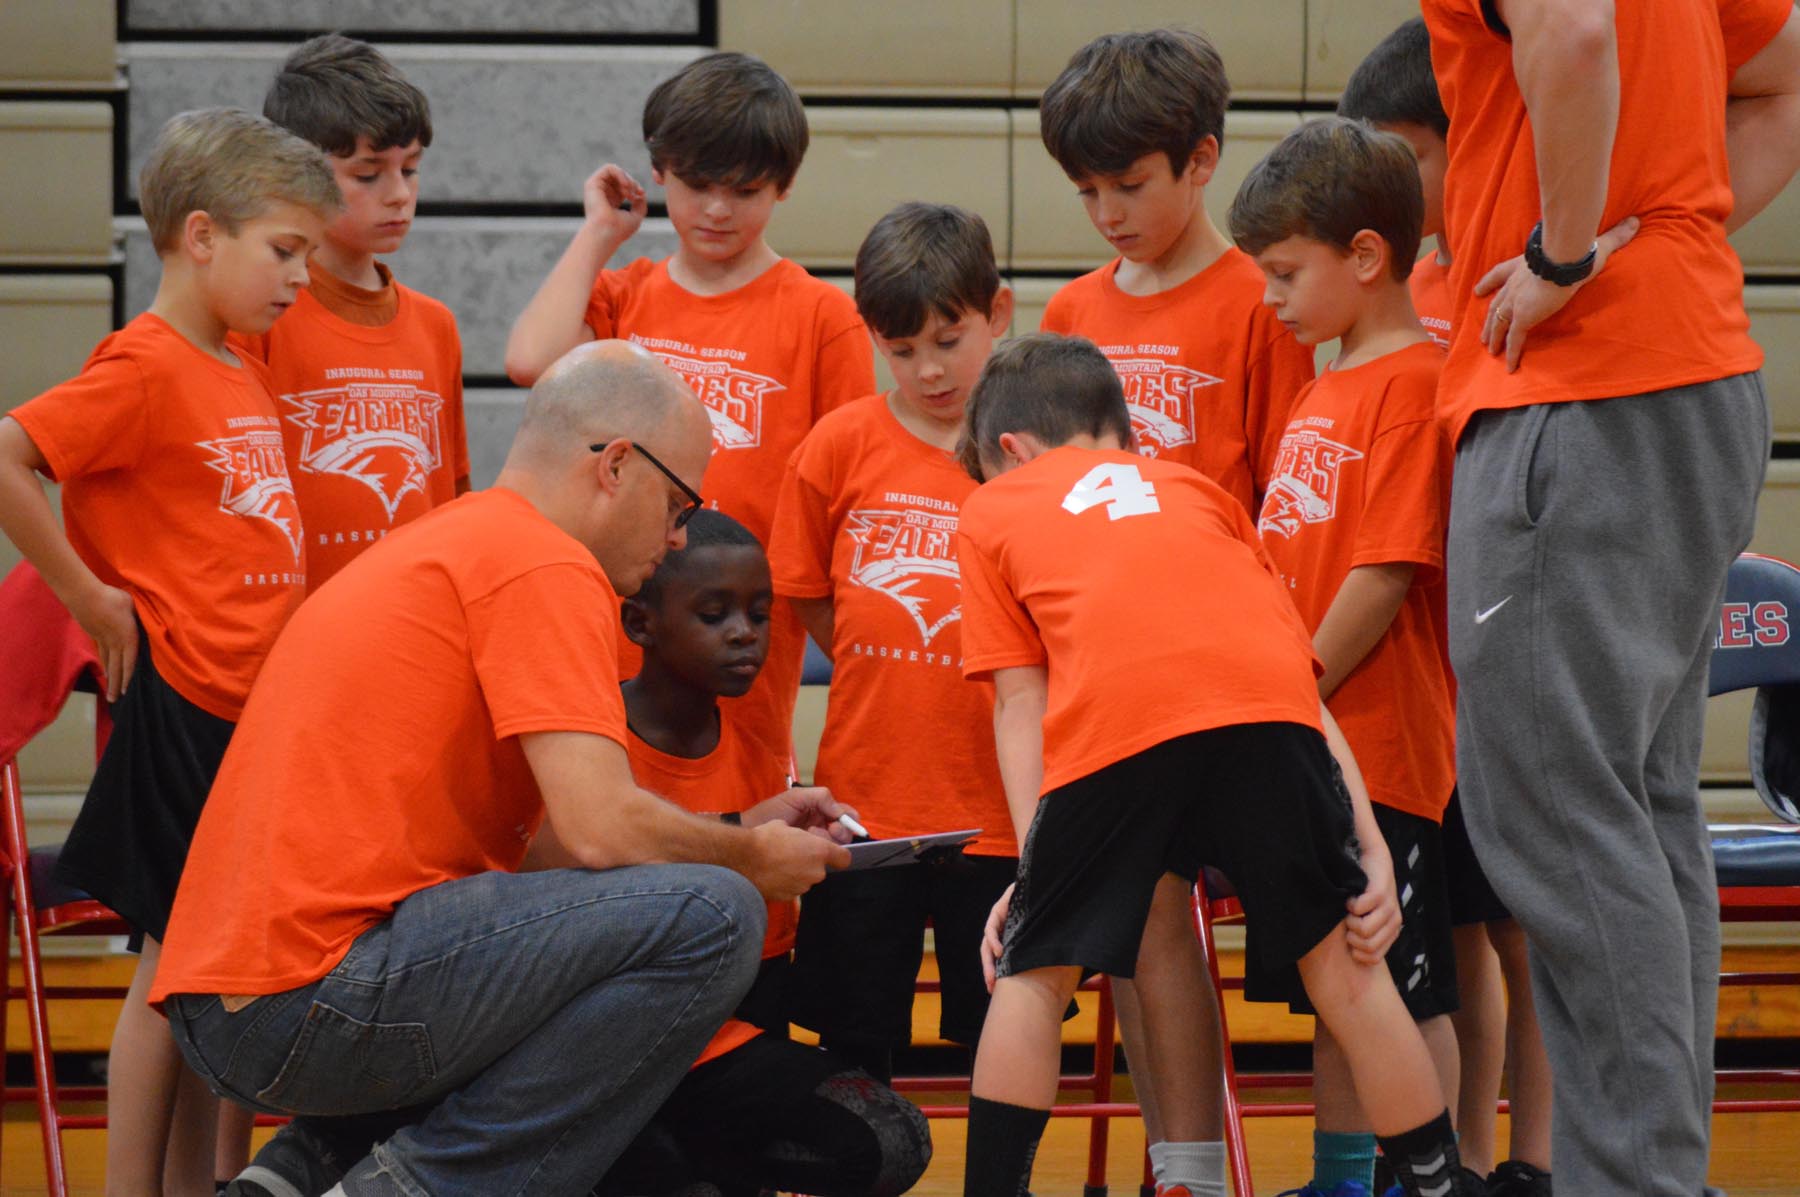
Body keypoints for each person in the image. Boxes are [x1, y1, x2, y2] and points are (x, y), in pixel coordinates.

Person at [149, 341, 851, 1197]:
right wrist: (750, 859)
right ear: (617, 467)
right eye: (677, 502)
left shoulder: (458, 539)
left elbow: (555, 852)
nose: (676, 536)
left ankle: (300, 1171)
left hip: (238, 1000)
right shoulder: (545, 562)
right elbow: (600, 831)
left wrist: (742, 824)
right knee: (718, 912)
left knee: (630, 926)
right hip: (311, 991)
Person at [1421, 2, 1800, 1195]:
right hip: (1691, 373)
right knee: (1641, 806)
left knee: (1563, 813)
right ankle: (1657, 1174)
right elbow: (1784, 80)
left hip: (1576, 390)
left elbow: (1575, 29)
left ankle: (1636, 1181)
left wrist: (1565, 253)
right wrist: (1671, 233)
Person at [953, 333, 1475, 1197]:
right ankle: (1440, 1183)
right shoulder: (1203, 493)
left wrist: (1032, 860)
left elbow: (1018, 703)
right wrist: (1368, 838)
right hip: (1270, 721)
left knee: (1033, 977)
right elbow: (1297, 679)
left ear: (1011, 450)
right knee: (1352, 977)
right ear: (1123, 432)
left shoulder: (991, 511)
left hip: (1120, 725)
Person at [0, 107, 338, 1197]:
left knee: (226, 973)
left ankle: (210, 1185)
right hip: (187, 703)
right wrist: (89, 594)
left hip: (253, 710)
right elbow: (8, 454)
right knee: (172, 969)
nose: (299, 277)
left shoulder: (235, 365)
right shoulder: (143, 364)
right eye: (283, 251)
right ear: (201, 236)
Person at [504, 50, 875, 769]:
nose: (715, 210)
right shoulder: (626, 292)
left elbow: (851, 493)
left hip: (741, 632)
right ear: (661, 173)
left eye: (743, 190)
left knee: (740, 819)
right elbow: (530, 361)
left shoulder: (821, 315)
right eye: (697, 184)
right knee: (616, 811)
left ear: (784, 187)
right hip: (621, 613)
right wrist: (598, 234)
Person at [1337, 26, 1564, 1195]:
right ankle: (1469, 1156)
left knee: (1528, 932)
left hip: (1505, 658)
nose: (1393, 184)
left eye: (1407, 157)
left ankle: (1535, 1159)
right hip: (1422, 674)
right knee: (1462, 934)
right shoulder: (1388, 288)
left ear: (1463, 142)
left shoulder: (1504, 274)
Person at [1229, 116, 1460, 1197]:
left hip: (1383, 743)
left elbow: (1387, 570)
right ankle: (1341, 1177)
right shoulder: (1327, 384)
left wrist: (1297, 685)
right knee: (1344, 983)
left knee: (1406, 988)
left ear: (1366, 258)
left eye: (1284, 272)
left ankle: (1429, 1175)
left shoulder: (1412, 385)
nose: (1269, 296)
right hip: (1317, 737)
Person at [598, 508, 931, 1197]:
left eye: (759, 612)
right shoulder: (592, 742)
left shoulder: (756, 749)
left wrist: (818, 854)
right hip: (614, 1047)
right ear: (640, 625)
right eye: (715, 614)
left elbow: (767, 954)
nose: (745, 633)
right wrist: (736, 842)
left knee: (893, 1136)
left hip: (731, 1041)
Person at [768, 202, 1022, 1086]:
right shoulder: (840, 445)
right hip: (866, 807)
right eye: (900, 348)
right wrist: (888, 658)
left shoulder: (1027, 454)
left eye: (948, 341)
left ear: (1000, 312)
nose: (927, 369)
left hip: (997, 809)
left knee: (1001, 1030)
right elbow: (805, 591)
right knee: (852, 1036)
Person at [1035, 27, 1314, 515]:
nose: (1107, 215)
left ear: (1200, 160)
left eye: (1129, 185)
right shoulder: (1069, 312)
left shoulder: (1264, 303)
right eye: (1088, 191)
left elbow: (1282, 500)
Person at [240, 33, 469, 593]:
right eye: (368, 175)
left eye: (409, 170)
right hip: (292, 641)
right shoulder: (258, 315)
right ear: (296, 173)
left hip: (412, 630)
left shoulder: (434, 325)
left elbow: (454, 497)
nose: (398, 194)